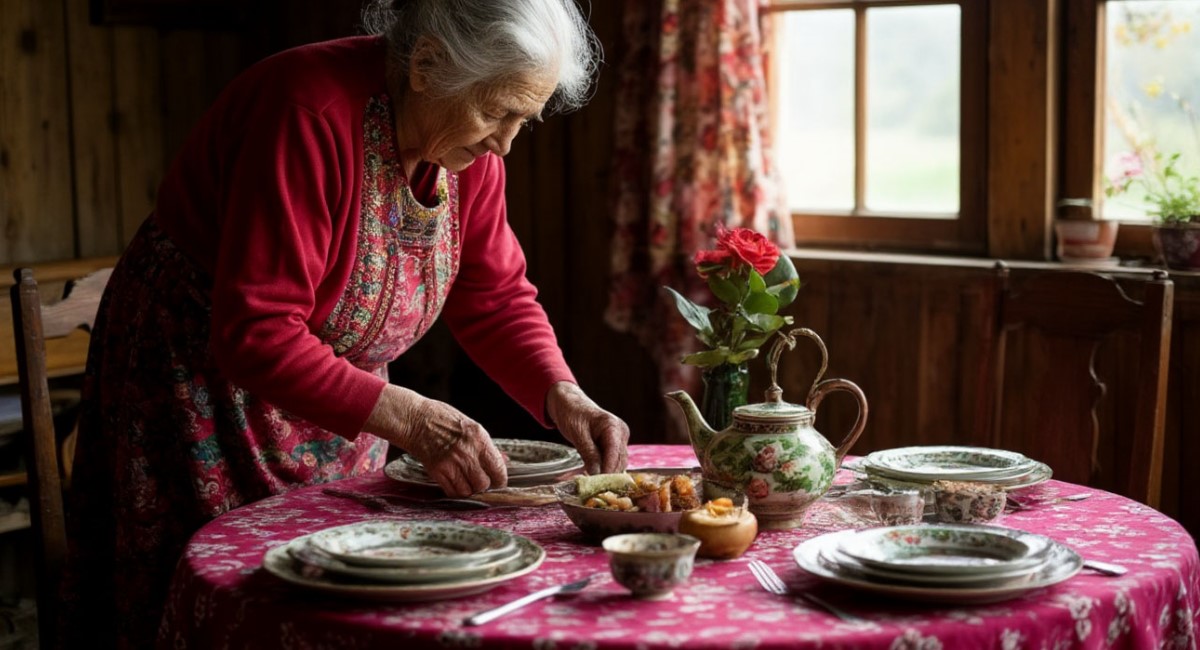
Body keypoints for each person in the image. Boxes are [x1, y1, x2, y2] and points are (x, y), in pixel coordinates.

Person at [59, 0, 630, 647]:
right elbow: (257, 332)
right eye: (496, 112)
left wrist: (563, 394)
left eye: (523, 119)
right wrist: (413, 419)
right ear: (425, 66)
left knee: (338, 589)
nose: (504, 142)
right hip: (197, 389)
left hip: (337, 399)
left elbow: (494, 295)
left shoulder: (468, 152)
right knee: (222, 600)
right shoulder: (306, 109)